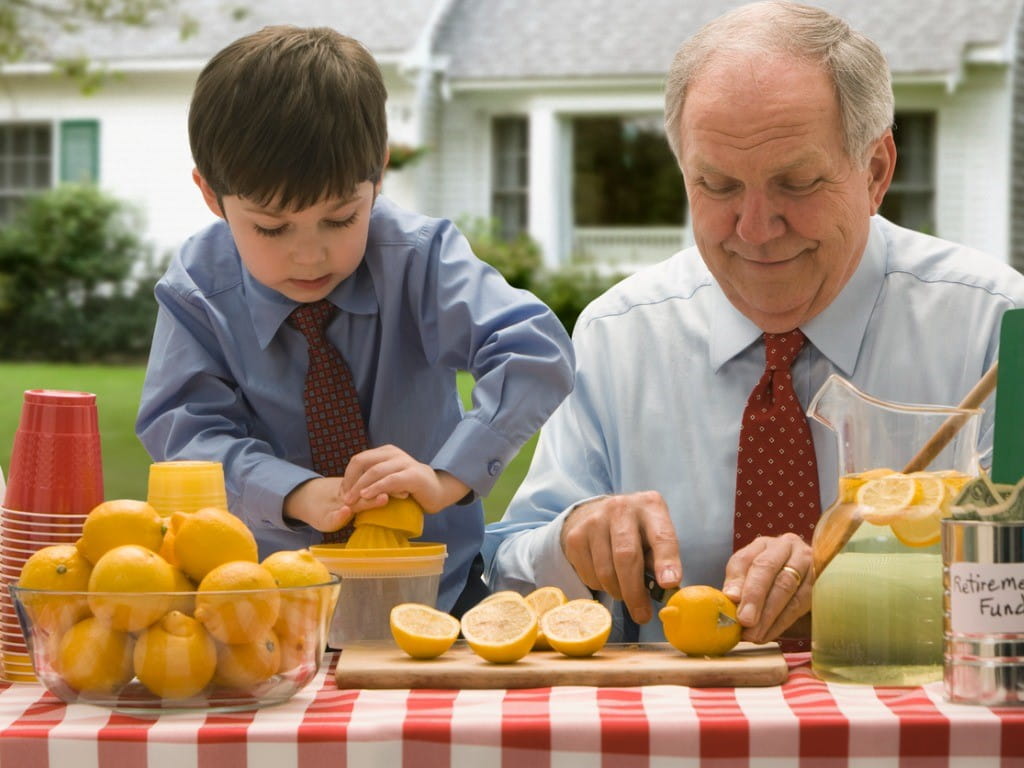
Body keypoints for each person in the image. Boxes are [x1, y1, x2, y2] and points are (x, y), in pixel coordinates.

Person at [484, 0, 1024, 644]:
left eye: (795, 182)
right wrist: (572, 541)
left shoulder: (999, 331)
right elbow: (506, 580)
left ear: (876, 172)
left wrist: (855, 577)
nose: (756, 229)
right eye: (717, 185)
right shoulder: (619, 335)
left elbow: (1011, 576)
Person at [136, 26, 575, 616]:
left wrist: (447, 475)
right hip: (262, 607)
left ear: (380, 175)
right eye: (271, 228)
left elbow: (533, 350)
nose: (310, 254)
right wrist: (293, 493)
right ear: (211, 195)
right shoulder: (198, 290)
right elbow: (184, 436)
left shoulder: (418, 259)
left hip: (440, 600)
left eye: (342, 218)